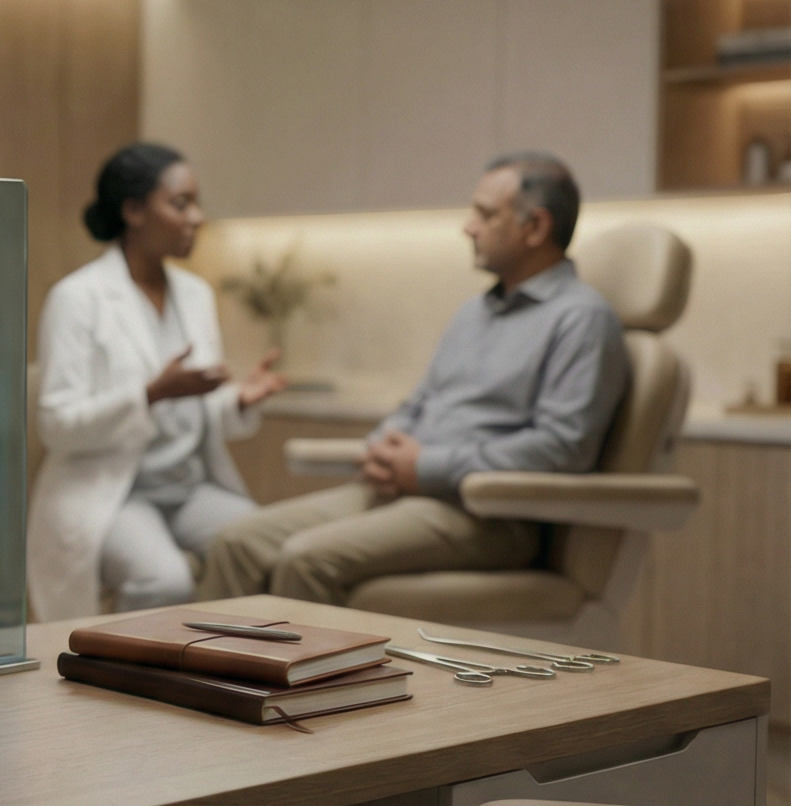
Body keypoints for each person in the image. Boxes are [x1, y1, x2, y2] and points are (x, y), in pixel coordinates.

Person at [197, 152, 629, 609]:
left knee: (306, 559)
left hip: (488, 515)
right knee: (236, 542)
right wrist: (386, 444)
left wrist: (426, 467)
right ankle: (203, 680)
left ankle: (300, 680)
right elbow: (422, 401)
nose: (468, 227)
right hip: (406, 494)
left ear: (536, 227)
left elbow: (562, 449)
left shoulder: (581, 319)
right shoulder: (475, 312)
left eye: (485, 214)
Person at [26, 144, 286, 620]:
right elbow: (56, 425)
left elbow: (196, 410)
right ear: (133, 210)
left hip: (189, 489)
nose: (198, 218)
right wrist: (149, 393)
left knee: (275, 547)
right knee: (164, 580)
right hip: (116, 494)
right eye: (181, 203)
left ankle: (225, 669)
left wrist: (237, 403)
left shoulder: (195, 295)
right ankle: (136, 685)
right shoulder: (77, 299)